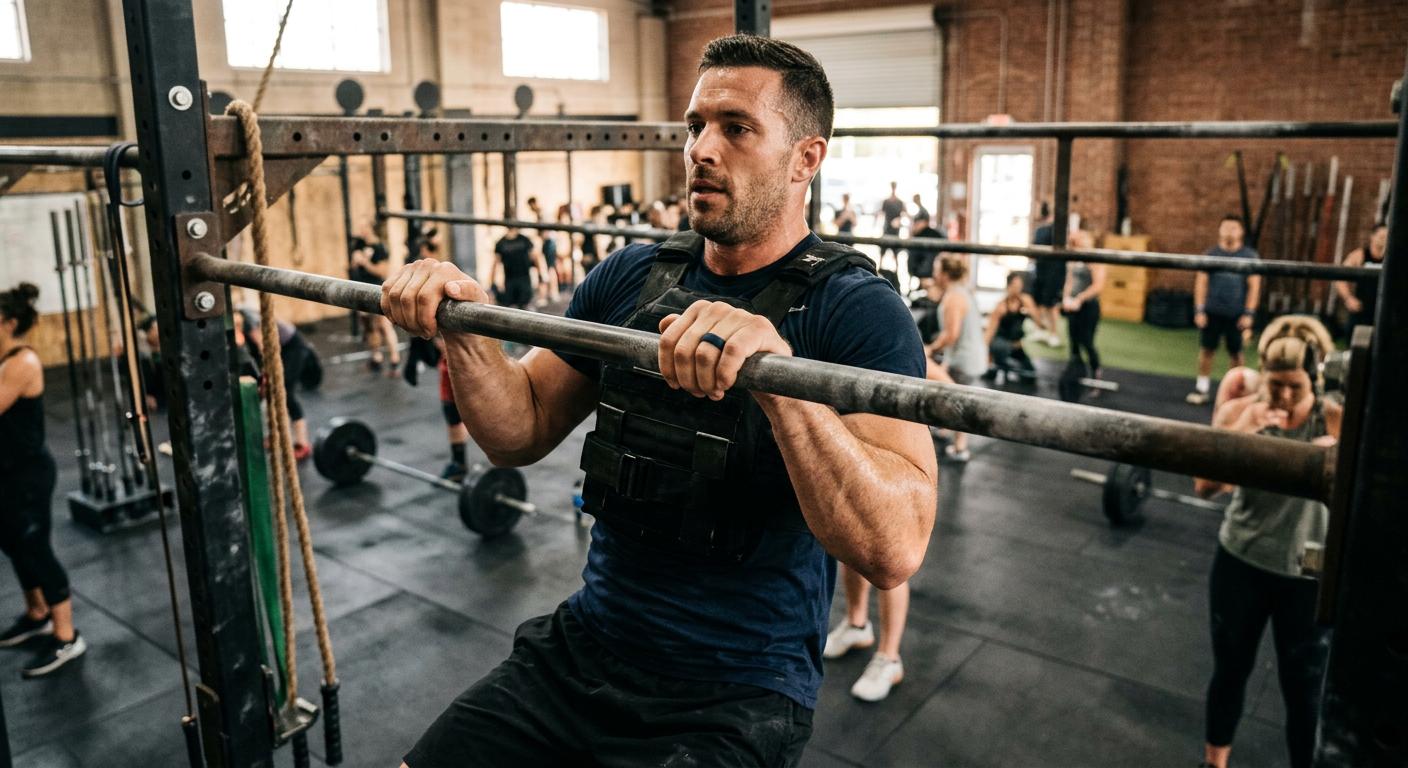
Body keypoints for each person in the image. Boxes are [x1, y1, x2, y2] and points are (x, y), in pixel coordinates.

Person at [385, 34, 936, 767]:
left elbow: (895, 547)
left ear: (807, 159)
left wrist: (779, 380)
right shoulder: (631, 277)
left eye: (736, 128)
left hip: (736, 692)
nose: (703, 149)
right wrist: (461, 323)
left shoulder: (857, 310)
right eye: (695, 126)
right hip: (585, 649)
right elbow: (520, 429)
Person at [1193, 316, 1338, 768]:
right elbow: (1204, 486)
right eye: (1276, 385)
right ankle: (1214, 764)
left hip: (1307, 575)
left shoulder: (1335, 417)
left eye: (1295, 386)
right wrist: (1247, 430)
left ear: (1313, 378)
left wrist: (1334, 454)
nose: (1286, 397)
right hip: (1242, 561)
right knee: (1230, 674)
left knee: (1303, 691)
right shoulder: (1241, 411)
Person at [0, 283, 87, 678]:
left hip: (28, 475)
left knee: (35, 548)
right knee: (14, 544)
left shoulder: (22, 363)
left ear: (9, 323)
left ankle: (66, 636)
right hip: (5, 472)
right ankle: (37, 614)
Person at [1187, 215, 1262, 405]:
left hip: (1236, 314)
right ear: (1220, 230)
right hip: (1212, 311)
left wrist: (1249, 313)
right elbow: (1201, 283)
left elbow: (1254, 286)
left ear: (1241, 232)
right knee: (1207, 350)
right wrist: (1199, 310)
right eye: (1226, 227)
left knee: (1236, 354)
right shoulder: (1210, 255)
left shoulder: (1249, 257)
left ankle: (1234, 393)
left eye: (1234, 228)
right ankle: (1202, 389)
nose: (1230, 231)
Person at [925, 254, 986, 462]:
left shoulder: (954, 297)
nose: (934, 273)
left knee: (958, 400)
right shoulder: (959, 291)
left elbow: (951, 334)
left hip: (965, 359)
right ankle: (944, 429)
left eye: (936, 269)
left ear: (944, 274)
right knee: (948, 393)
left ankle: (961, 447)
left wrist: (930, 349)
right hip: (964, 355)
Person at [234, 308, 313, 461]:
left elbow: (264, 349)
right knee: (264, 393)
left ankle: (302, 443)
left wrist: (266, 375)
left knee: (285, 393)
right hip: (278, 350)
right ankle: (273, 434)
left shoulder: (250, 322)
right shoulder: (236, 324)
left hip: (293, 348)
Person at [350, 232, 401, 376]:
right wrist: (356, 261)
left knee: (385, 326)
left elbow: (382, 272)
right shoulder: (358, 245)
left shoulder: (379, 248)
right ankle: (376, 358)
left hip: (377, 291)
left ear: (371, 228)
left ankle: (394, 360)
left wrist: (365, 262)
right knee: (370, 329)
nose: (361, 228)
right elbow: (352, 268)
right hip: (361, 291)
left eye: (364, 225)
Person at [1062, 230, 1107, 381]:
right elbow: (1069, 281)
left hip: (1089, 307)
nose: (1079, 241)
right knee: (1073, 342)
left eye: (1082, 238)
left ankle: (1096, 375)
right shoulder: (1074, 258)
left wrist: (1080, 299)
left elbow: (1098, 286)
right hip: (1073, 307)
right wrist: (1066, 298)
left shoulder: (1095, 259)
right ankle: (1075, 375)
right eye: (1077, 239)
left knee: (1087, 342)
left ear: (1090, 241)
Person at [983, 272, 1038, 384]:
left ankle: (1004, 366)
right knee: (999, 354)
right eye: (1015, 286)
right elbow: (990, 331)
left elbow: (1039, 322)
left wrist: (1030, 311)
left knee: (1030, 375)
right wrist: (984, 352)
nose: (1018, 289)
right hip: (1001, 343)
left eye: (1019, 286)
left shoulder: (1025, 301)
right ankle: (997, 366)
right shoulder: (1001, 306)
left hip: (1016, 344)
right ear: (1009, 286)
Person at [1333, 222, 1387, 333]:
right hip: (1361, 310)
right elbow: (1339, 278)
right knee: (1357, 344)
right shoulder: (1360, 255)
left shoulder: (1390, 259)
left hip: (1381, 311)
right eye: (1381, 237)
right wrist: (1348, 298)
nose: (1384, 240)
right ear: (1372, 236)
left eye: (1387, 237)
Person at [1029, 202, 1064, 347]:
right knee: (1039, 304)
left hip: (1054, 273)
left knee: (1051, 305)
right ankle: (1039, 330)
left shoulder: (1057, 230)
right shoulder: (1040, 230)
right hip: (1040, 271)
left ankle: (1054, 334)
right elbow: (1033, 250)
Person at [491, 227, 537, 310]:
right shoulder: (501, 243)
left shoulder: (524, 240)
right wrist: (493, 282)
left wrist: (541, 274)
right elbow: (495, 264)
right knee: (512, 308)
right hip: (510, 281)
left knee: (525, 307)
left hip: (524, 279)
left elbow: (535, 257)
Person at [906, 211, 945, 291]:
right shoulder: (938, 234)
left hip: (926, 276)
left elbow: (912, 265)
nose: (915, 226)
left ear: (924, 222)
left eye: (916, 223)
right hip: (938, 278)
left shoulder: (918, 237)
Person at [876, 181, 906, 270]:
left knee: (895, 253)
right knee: (882, 252)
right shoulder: (886, 201)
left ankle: (896, 272)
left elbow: (904, 214)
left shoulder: (899, 202)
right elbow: (881, 213)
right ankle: (880, 270)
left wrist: (899, 220)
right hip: (887, 229)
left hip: (895, 231)